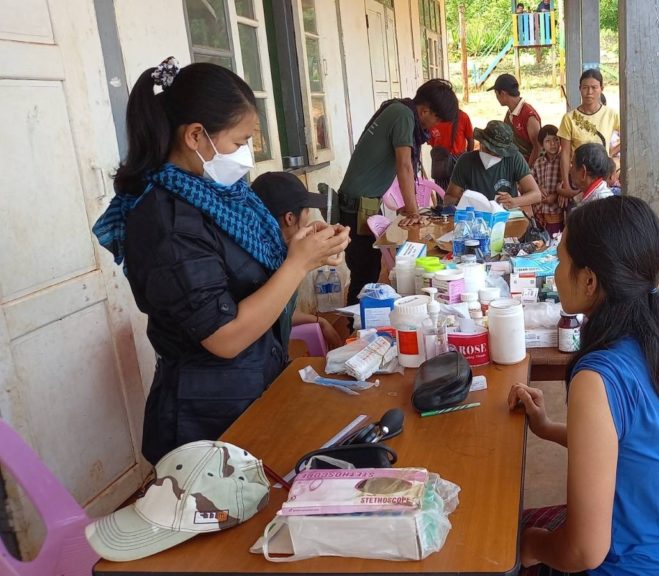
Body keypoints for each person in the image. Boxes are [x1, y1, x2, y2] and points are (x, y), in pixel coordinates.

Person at [91, 58, 350, 464]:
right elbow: (225, 337)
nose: (245, 154)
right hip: (205, 425)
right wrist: (297, 265)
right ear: (196, 136)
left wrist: (307, 249)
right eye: (239, 141)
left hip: (254, 393)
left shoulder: (227, 197)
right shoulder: (166, 221)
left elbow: (254, 274)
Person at [508, 196, 659, 575]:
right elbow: (639, 447)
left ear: (590, 280)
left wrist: (531, 544)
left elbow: (583, 552)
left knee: (501, 535)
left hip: (638, 568)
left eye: (560, 261)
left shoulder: (599, 376)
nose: (556, 272)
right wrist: (546, 428)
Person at [338, 79, 458, 305]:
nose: (434, 127)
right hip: (355, 205)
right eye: (437, 119)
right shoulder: (403, 115)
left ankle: (357, 320)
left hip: (362, 202)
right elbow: (404, 165)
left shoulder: (399, 110)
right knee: (365, 272)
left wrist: (409, 207)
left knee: (368, 269)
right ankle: (354, 326)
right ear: (424, 110)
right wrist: (414, 213)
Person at [252, 172, 344, 352]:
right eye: (307, 212)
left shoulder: (269, 252)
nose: (310, 221)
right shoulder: (261, 268)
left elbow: (277, 310)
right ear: (290, 218)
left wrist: (319, 321)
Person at [445, 120, 542, 211]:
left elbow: (536, 194)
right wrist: (465, 201)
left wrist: (514, 202)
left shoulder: (513, 158)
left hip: (506, 219)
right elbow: (449, 198)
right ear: (481, 143)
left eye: (498, 153)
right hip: (476, 219)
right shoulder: (466, 161)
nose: (493, 155)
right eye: (489, 150)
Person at [557, 69, 620, 198]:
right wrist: (567, 185)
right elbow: (565, 153)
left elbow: (630, 137)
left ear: (602, 88)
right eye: (585, 88)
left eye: (594, 87)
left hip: (601, 179)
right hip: (578, 179)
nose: (589, 92)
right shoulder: (569, 118)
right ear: (579, 89)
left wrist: (611, 153)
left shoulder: (611, 115)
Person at [489, 74, 542, 164]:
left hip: (526, 167)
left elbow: (538, 148)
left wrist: (526, 171)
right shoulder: (509, 113)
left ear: (503, 93)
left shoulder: (529, 116)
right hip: (515, 164)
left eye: (496, 94)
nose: (496, 97)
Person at [427, 107, 474, 191]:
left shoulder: (462, 117)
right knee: (441, 193)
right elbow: (432, 143)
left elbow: (470, 139)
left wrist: (469, 160)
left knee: (460, 193)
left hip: (459, 160)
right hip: (440, 162)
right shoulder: (432, 118)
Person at [532, 124, 565, 234]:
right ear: (542, 144)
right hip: (539, 209)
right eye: (548, 141)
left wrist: (555, 196)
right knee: (541, 238)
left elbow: (565, 182)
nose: (553, 144)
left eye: (556, 140)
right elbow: (532, 181)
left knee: (555, 237)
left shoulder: (563, 161)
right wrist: (539, 188)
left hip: (555, 210)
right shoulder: (538, 162)